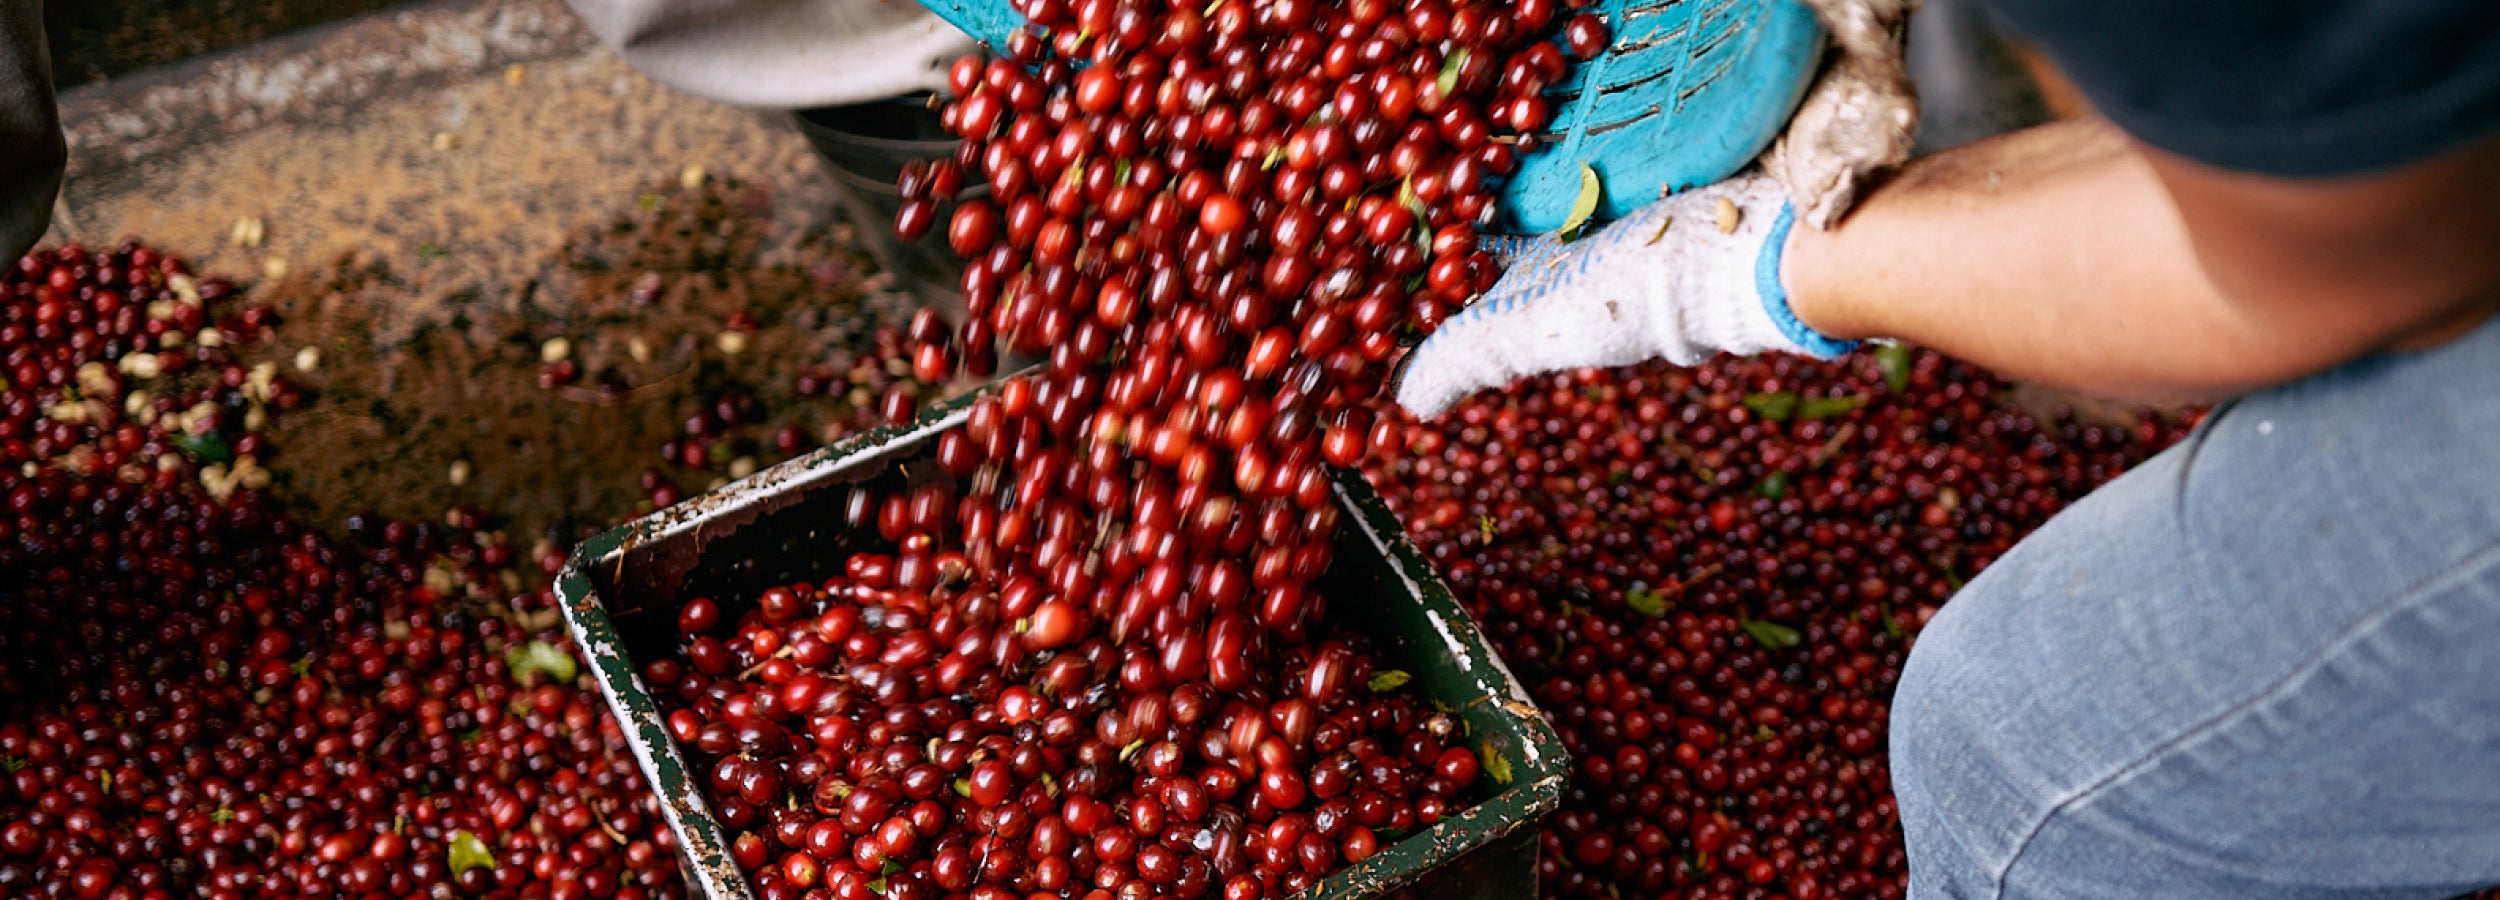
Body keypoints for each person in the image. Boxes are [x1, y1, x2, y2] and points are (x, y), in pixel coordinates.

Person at [1395, 1, 2500, 898]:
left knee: (2027, 762)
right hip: (2377, 146)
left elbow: (2362, 266)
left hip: (2416, 235)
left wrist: (1755, 268)